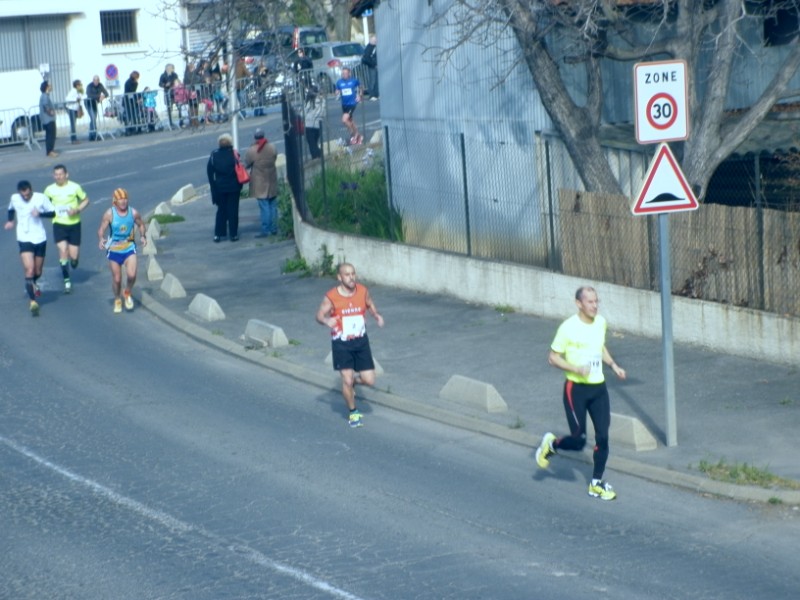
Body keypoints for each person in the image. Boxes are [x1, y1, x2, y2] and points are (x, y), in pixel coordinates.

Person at [535, 286, 627, 501]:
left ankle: (596, 483)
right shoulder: (568, 328)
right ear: (579, 304)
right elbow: (553, 357)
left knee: (603, 437)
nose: (594, 306)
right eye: (590, 302)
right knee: (578, 440)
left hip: (598, 388)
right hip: (575, 389)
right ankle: (552, 445)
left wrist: (613, 365)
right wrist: (576, 369)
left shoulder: (600, 323)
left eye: (596, 302)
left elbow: (599, 347)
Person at [315, 262, 384, 428]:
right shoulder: (331, 297)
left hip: (360, 341)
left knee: (369, 380)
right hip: (342, 343)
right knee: (346, 379)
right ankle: (353, 412)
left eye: (353, 273)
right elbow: (319, 315)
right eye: (347, 274)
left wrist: (376, 315)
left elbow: (369, 303)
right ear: (339, 277)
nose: (351, 277)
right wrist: (326, 320)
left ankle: (353, 383)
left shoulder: (362, 291)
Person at [4, 180, 56, 316]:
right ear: (19, 193)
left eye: (27, 194)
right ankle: (33, 302)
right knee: (30, 269)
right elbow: (10, 209)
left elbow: (52, 213)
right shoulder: (14, 198)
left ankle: (33, 283)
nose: (25, 197)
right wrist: (10, 221)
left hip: (39, 238)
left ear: (31, 190)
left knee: (37, 271)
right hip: (24, 237)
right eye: (23, 195)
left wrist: (39, 214)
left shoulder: (40, 198)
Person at [97, 188, 147, 314]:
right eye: (120, 199)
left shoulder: (133, 213)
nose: (123, 201)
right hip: (114, 249)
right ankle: (117, 299)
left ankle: (127, 292)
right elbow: (101, 229)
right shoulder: (109, 214)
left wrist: (142, 236)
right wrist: (101, 239)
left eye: (125, 199)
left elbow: (141, 224)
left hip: (129, 247)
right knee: (117, 279)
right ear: (115, 201)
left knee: (132, 275)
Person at [44, 164, 90, 293]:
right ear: (53, 176)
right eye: (56, 175)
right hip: (59, 224)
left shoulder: (75, 187)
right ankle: (67, 281)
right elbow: (44, 204)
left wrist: (77, 209)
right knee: (63, 250)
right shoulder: (49, 190)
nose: (58, 177)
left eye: (61, 174)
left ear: (66, 175)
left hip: (74, 224)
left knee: (73, 256)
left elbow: (86, 200)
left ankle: (74, 261)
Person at [206, 133, 243, 242]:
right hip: (233, 187)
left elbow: (209, 171)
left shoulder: (214, 155)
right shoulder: (234, 154)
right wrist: (239, 185)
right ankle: (233, 234)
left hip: (220, 187)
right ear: (230, 143)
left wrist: (213, 186)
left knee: (221, 210)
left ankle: (218, 234)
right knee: (233, 210)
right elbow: (239, 169)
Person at [244, 128, 279, 238]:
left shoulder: (252, 150)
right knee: (273, 205)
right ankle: (274, 228)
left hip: (259, 181)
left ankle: (266, 229)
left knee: (264, 206)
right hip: (271, 178)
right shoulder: (272, 147)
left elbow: (247, 163)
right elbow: (274, 158)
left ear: (255, 137)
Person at [335, 67, 362, 145]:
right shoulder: (339, 82)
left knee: (344, 120)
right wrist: (337, 93)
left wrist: (360, 95)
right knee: (350, 121)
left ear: (349, 73)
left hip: (352, 103)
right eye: (343, 73)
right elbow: (337, 90)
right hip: (344, 104)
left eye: (346, 73)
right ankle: (358, 135)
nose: (344, 75)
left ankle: (353, 135)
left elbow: (361, 86)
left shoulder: (353, 81)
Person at [84, 75, 108, 141]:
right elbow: (89, 95)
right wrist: (99, 96)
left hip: (94, 103)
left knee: (93, 119)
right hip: (89, 103)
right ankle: (94, 135)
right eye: (95, 80)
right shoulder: (89, 86)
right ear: (93, 80)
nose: (97, 82)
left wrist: (103, 97)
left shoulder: (100, 85)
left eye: (98, 80)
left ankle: (91, 136)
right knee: (93, 118)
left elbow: (106, 93)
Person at [304, 85, 325, 159]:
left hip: (309, 125)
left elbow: (303, 113)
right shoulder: (322, 101)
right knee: (314, 143)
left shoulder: (308, 101)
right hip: (318, 125)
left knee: (312, 144)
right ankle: (318, 154)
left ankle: (317, 156)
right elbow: (323, 113)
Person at [158, 63, 180, 129]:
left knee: (179, 107)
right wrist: (165, 85)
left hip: (175, 93)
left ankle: (181, 121)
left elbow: (177, 81)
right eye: (170, 68)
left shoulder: (174, 74)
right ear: (167, 68)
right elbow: (160, 84)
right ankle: (170, 122)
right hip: (167, 93)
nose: (171, 69)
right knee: (169, 108)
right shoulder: (163, 75)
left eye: (171, 68)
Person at [39, 81, 58, 157]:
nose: (51, 87)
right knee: (51, 135)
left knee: (51, 135)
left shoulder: (46, 95)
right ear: (47, 87)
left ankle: (50, 150)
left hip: (49, 119)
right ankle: (50, 151)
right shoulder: (44, 96)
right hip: (48, 119)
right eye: (50, 85)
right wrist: (50, 112)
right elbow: (45, 106)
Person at [64, 79, 84, 144]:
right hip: (71, 108)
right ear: (77, 85)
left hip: (75, 109)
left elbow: (80, 99)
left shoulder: (79, 91)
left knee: (74, 124)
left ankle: (74, 138)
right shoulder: (73, 91)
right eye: (80, 85)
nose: (81, 86)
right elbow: (67, 99)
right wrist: (75, 99)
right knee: (73, 124)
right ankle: (73, 139)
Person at [361, 35, 379, 100]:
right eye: (374, 40)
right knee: (372, 81)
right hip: (372, 66)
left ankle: (376, 94)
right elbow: (367, 58)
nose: (375, 41)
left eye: (375, 40)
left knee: (376, 81)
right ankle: (372, 95)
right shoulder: (369, 48)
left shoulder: (374, 47)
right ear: (370, 40)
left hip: (375, 65)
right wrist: (374, 64)